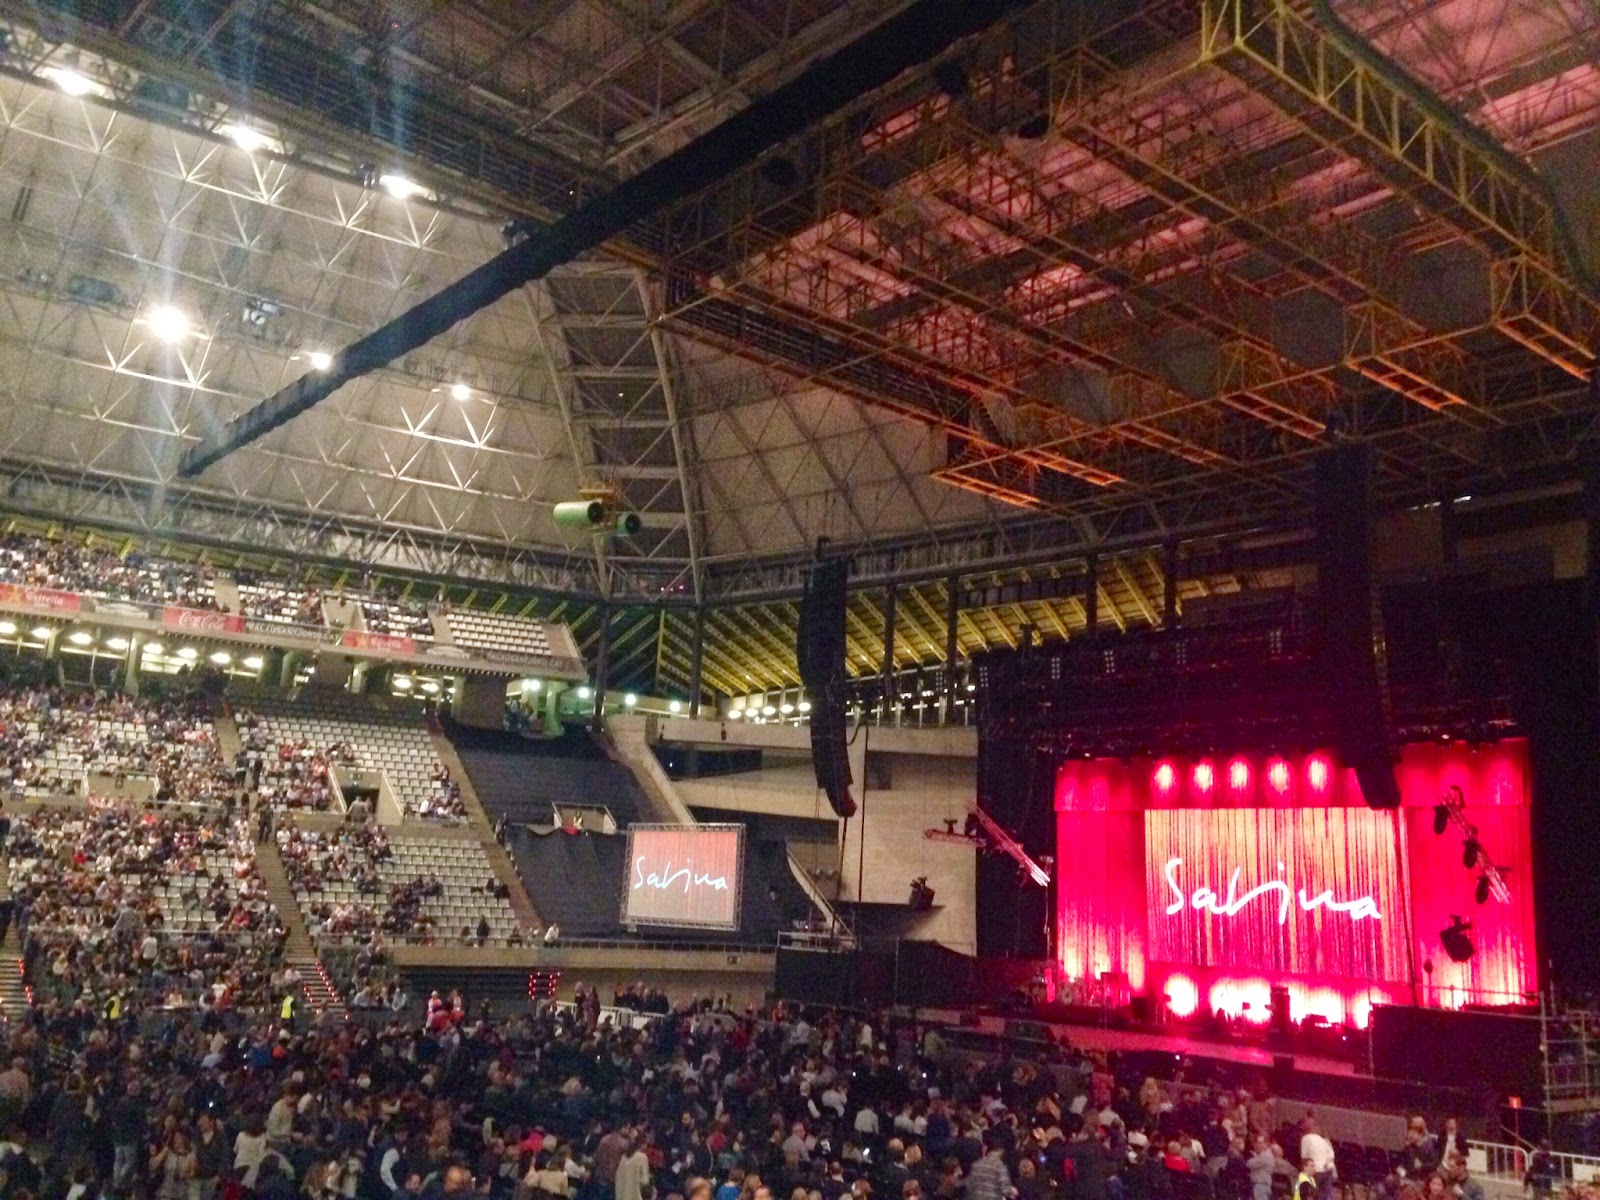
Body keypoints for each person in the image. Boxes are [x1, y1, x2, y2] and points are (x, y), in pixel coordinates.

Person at [964, 1133, 1011, 1200]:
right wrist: (1012, 1190)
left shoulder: (976, 1164)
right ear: (1001, 1150)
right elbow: (1005, 1190)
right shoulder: (999, 1166)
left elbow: (969, 1187)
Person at [1299, 1120, 1336, 1200]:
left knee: (1312, 1194)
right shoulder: (1320, 1139)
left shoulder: (1305, 1139)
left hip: (1315, 1171)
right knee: (1325, 1196)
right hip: (1326, 1171)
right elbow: (1331, 1153)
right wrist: (1327, 1162)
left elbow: (1304, 1156)